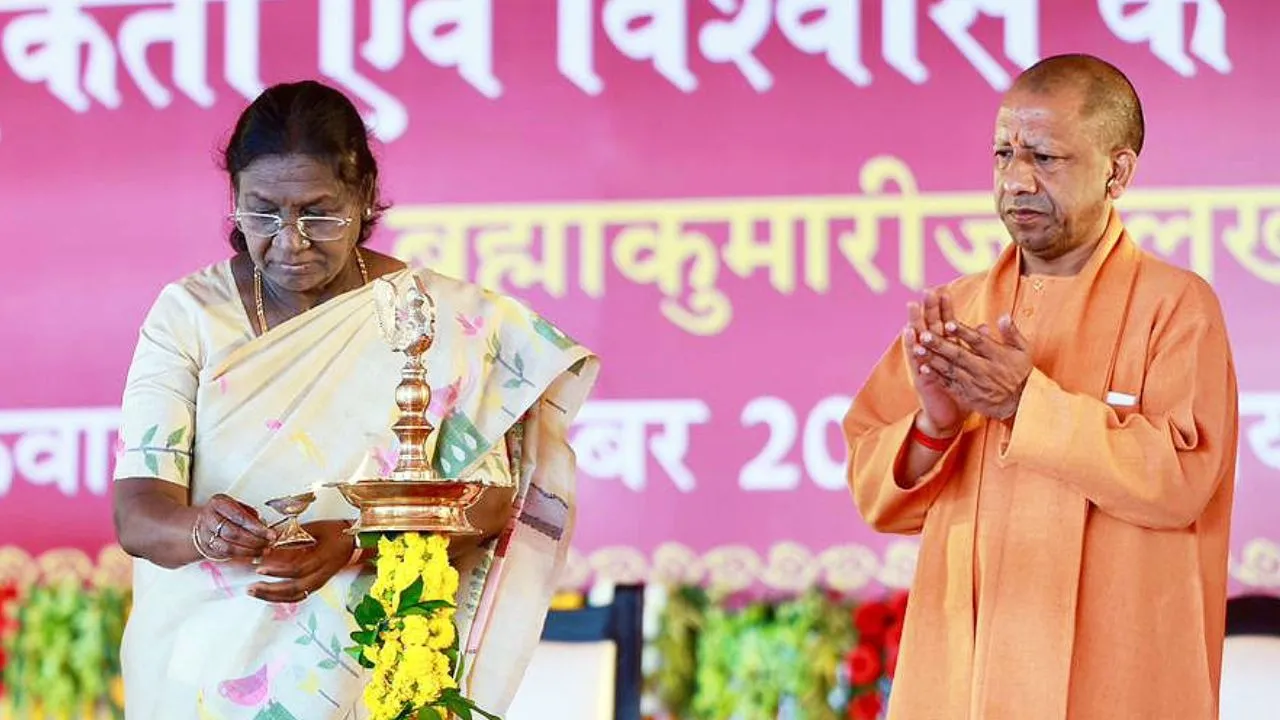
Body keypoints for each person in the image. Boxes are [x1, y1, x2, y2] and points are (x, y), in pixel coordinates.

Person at [111, 80, 599, 719]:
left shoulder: (434, 316)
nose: (290, 241)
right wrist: (203, 529)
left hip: (371, 672)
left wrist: (357, 541)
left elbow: (487, 504)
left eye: (318, 212)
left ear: (364, 194)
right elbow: (140, 514)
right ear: (234, 198)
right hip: (203, 675)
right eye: (262, 212)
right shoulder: (189, 317)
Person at [843, 54, 1238, 719]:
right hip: (963, 684)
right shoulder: (960, 311)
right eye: (1003, 154)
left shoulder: (1176, 307)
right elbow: (876, 489)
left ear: (1117, 171)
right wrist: (934, 429)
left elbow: (1181, 480)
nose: (1016, 180)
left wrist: (1027, 405)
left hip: (1116, 684)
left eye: (1046, 158)